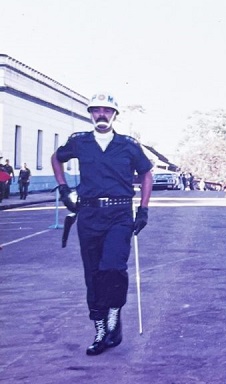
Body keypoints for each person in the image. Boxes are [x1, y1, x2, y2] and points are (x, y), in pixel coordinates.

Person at [51, 92, 153, 356]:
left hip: (119, 213)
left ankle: (114, 317)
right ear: (90, 115)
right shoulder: (80, 142)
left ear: (115, 115)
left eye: (107, 111)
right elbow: (57, 158)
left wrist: (143, 209)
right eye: (96, 111)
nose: (101, 115)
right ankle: (99, 329)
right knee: (93, 273)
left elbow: (146, 174)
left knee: (113, 267)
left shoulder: (128, 145)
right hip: (88, 215)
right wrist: (63, 189)